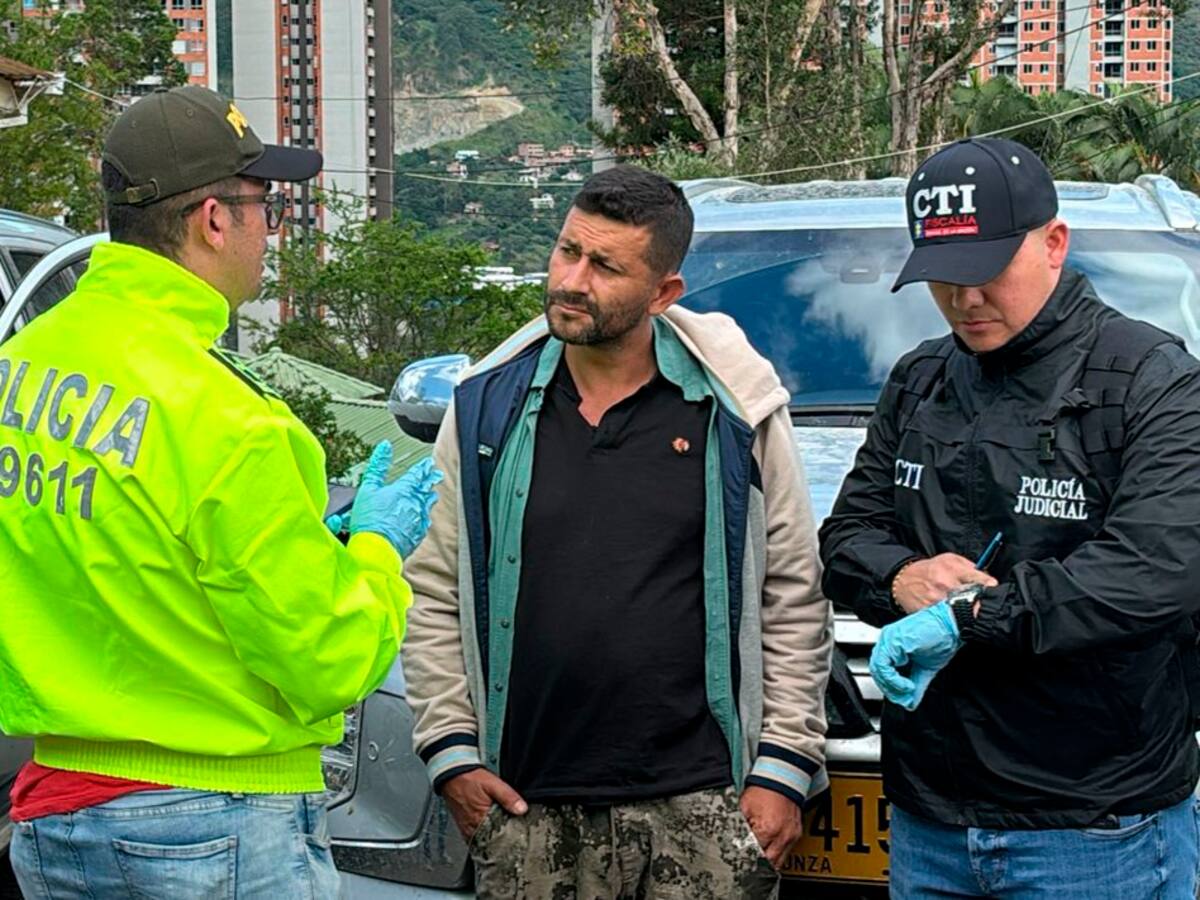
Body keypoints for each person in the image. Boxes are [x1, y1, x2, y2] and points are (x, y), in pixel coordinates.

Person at [0, 85, 440, 899]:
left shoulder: (21, 366)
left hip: (54, 816)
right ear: (213, 219)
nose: (269, 232)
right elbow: (330, 660)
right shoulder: (230, 418)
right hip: (212, 825)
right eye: (266, 208)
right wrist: (377, 550)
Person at [402, 164, 833, 899]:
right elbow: (434, 589)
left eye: (605, 267)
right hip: (526, 806)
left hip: (705, 807)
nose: (572, 281)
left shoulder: (735, 411)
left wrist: (784, 766)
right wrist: (451, 755)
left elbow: (792, 593)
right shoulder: (487, 408)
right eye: (568, 251)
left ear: (664, 293)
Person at [819, 137, 1200, 899]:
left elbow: (1152, 569)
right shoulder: (921, 378)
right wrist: (901, 577)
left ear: (1054, 244)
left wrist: (970, 615)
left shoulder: (1153, 380)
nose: (966, 299)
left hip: (1093, 827)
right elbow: (846, 537)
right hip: (928, 816)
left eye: (988, 271)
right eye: (944, 277)